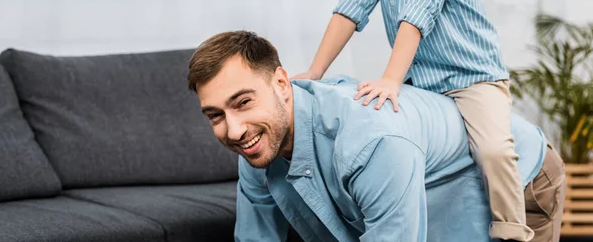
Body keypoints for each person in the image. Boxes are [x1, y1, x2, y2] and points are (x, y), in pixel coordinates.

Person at [292, 0, 529, 240]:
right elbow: (348, 10)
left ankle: (513, 231)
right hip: (425, 85)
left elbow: (415, 18)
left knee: (493, 151)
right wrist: (315, 71)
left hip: (470, 79)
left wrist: (390, 80)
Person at [188, 31, 566, 242]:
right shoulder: (257, 144)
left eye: (243, 102)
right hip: (435, 190)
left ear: (283, 84)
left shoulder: (369, 143)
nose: (234, 130)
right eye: (215, 116)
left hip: (519, 179)